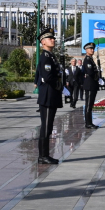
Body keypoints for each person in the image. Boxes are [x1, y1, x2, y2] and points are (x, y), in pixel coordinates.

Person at [36, 30, 63, 164]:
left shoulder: (51, 56)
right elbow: (47, 77)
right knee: (46, 127)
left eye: (53, 38)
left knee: (49, 126)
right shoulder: (45, 57)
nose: (53, 39)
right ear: (43, 42)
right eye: (49, 38)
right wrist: (59, 86)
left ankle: (44, 155)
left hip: (52, 95)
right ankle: (43, 156)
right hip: (48, 95)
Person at [81, 43, 100, 128]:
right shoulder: (87, 60)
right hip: (89, 84)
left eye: (93, 49)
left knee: (90, 104)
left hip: (92, 84)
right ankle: (88, 123)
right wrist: (98, 77)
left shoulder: (91, 59)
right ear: (86, 50)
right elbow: (90, 72)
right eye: (90, 49)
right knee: (88, 104)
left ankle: (90, 122)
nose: (92, 50)